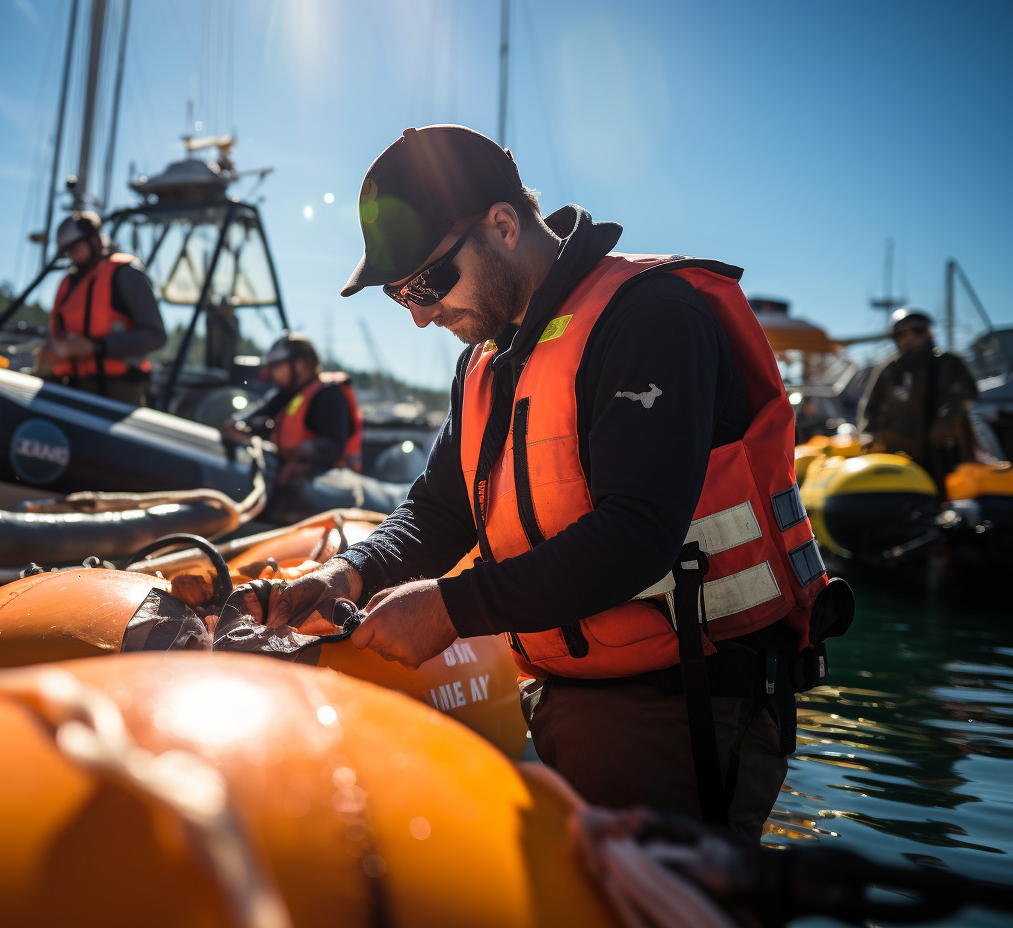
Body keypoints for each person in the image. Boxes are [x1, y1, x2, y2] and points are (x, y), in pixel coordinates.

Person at [227, 125, 841, 839]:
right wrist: (349, 571)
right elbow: (438, 511)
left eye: (427, 283)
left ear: (503, 225)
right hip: (566, 697)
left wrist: (451, 608)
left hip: (689, 702)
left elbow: (637, 532)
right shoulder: (487, 360)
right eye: (400, 296)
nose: (420, 315)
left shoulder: (652, 317)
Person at [37, 211, 167, 405]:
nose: (71, 256)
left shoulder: (126, 276)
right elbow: (57, 334)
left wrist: (97, 347)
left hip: (120, 394)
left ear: (94, 240)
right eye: (67, 251)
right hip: (74, 388)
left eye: (75, 249)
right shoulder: (68, 284)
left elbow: (156, 336)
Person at [221, 333, 364, 485]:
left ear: (301, 365)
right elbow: (259, 411)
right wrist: (237, 424)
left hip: (329, 482)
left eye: (277, 366)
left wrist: (309, 450)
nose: (273, 373)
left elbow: (334, 445)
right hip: (289, 475)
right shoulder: (287, 393)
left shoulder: (329, 395)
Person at [858, 308, 979, 487]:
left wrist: (945, 424)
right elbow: (870, 405)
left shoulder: (948, 363)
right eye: (900, 333)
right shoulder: (889, 368)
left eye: (917, 330)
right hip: (898, 453)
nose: (909, 337)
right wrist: (868, 434)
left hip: (944, 452)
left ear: (928, 332)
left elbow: (964, 397)